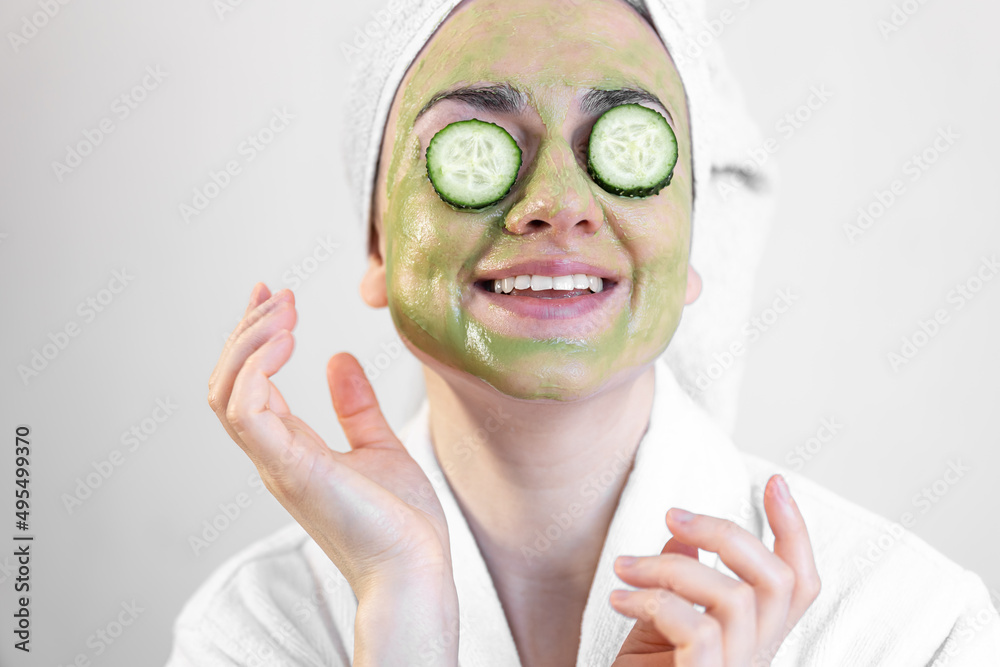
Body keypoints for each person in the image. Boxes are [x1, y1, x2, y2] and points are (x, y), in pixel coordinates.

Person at [166, 0, 1000, 665]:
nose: (558, 201)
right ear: (380, 242)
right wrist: (403, 616)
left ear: (696, 237)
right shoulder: (253, 631)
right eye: (477, 144)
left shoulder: (909, 625)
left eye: (624, 144)